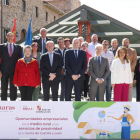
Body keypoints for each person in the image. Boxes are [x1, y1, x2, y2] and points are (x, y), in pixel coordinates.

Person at [0, 32, 22, 101]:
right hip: (3, 71)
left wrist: (19, 72)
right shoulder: (1, 47)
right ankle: (3, 102)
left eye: (11, 36)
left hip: (14, 71)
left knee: (13, 87)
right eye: (8, 36)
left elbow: (20, 60)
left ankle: (13, 102)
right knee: (3, 87)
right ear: (6, 37)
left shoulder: (18, 47)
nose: (10, 37)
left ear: (13, 37)